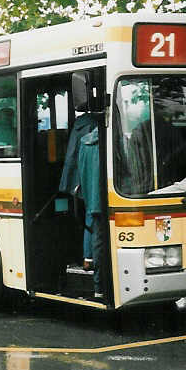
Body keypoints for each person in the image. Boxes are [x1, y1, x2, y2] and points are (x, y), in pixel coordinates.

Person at [59, 112, 105, 299]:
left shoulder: (79, 127)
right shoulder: (99, 130)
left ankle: (87, 258)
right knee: (93, 218)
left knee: (88, 217)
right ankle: (90, 260)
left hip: (79, 180)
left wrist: (70, 182)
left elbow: (71, 155)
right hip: (91, 180)